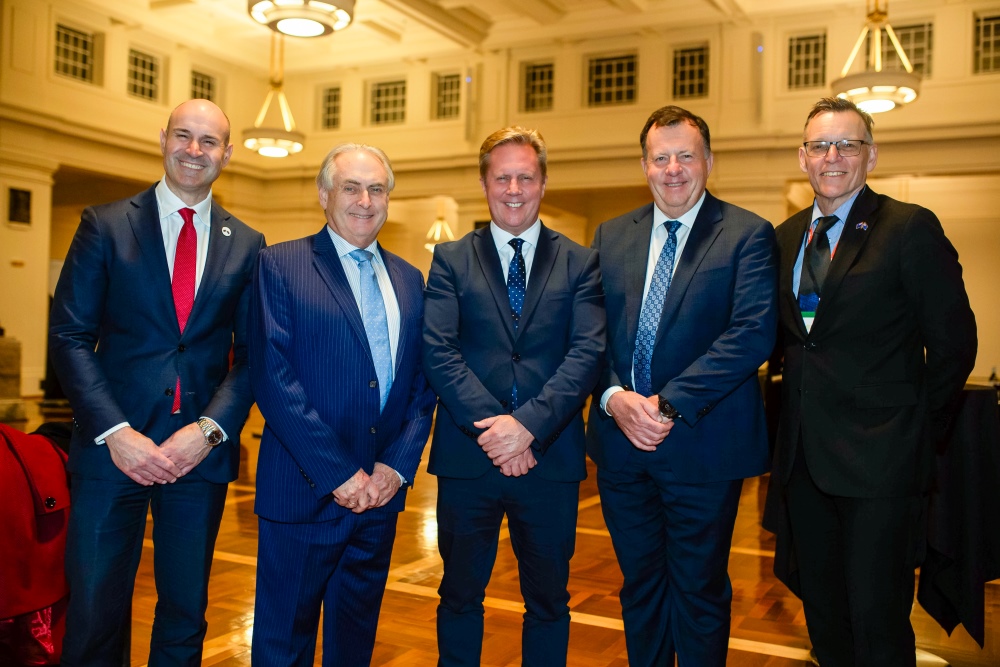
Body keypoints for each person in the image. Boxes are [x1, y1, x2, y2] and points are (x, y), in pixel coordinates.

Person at [49, 99, 266, 666]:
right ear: (162, 139)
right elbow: (69, 337)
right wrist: (116, 432)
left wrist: (209, 431)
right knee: (94, 613)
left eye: (209, 141)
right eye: (183, 135)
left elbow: (253, 357)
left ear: (227, 154)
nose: (194, 150)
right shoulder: (104, 225)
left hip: (197, 456)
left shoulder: (248, 243)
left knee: (185, 614)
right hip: (110, 452)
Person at [766, 97, 977, 667]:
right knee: (825, 621)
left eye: (847, 144)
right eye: (820, 146)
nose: (832, 156)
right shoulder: (783, 238)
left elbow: (955, 344)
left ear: (871, 155)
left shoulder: (908, 228)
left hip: (882, 464)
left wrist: (914, 430)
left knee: (878, 624)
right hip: (804, 464)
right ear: (803, 157)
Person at [586, 105, 778, 667]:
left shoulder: (747, 233)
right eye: (660, 157)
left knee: (699, 591)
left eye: (685, 156)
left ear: (709, 161)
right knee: (640, 586)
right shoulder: (611, 235)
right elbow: (588, 333)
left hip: (703, 447)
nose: (673, 169)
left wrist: (667, 405)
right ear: (644, 165)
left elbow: (751, 335)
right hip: (622, 447)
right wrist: (614, 397)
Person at [248, 143, 436, 667]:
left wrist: (395, 469)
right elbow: (273, 378)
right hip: (302, 494)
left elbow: (421, 385)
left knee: (354, 646)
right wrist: (340, 474)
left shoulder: (410, 279)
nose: (365, 200)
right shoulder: (279, 264)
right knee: (283, 647)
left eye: (377, 189)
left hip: (378, 500)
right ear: (324, 194)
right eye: (351, 187)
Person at [423, 126, 605, 667]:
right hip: (468, 458)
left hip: (549, 459)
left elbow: (586, 354)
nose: (514, 189)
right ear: (484, 184)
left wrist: (527, 427)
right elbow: (438, 350)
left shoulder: (580, 261)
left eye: (525, 177)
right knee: (459, 597)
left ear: (543, 183)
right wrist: (498, 431)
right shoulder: (451, 258)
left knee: (548, 603)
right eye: (502, 177)